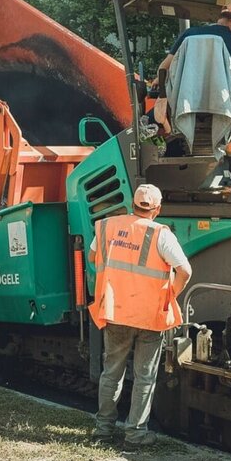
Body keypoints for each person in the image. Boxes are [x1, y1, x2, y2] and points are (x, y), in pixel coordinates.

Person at [89, 183, 192, 447]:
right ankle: (135, 433)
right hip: (149, 316)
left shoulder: (108, 226)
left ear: (132, 205)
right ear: (157, 209)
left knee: (111, 372)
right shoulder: (161, 235)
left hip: (115, 311)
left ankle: (102, 431)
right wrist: (172, 294)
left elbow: (92, 257)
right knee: (144, 376)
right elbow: (185, 271)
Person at [154, 4, 231, 171]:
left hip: (182, 111)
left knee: (158, 123)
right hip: (222, 113)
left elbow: (163, 69)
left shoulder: (189, 34)